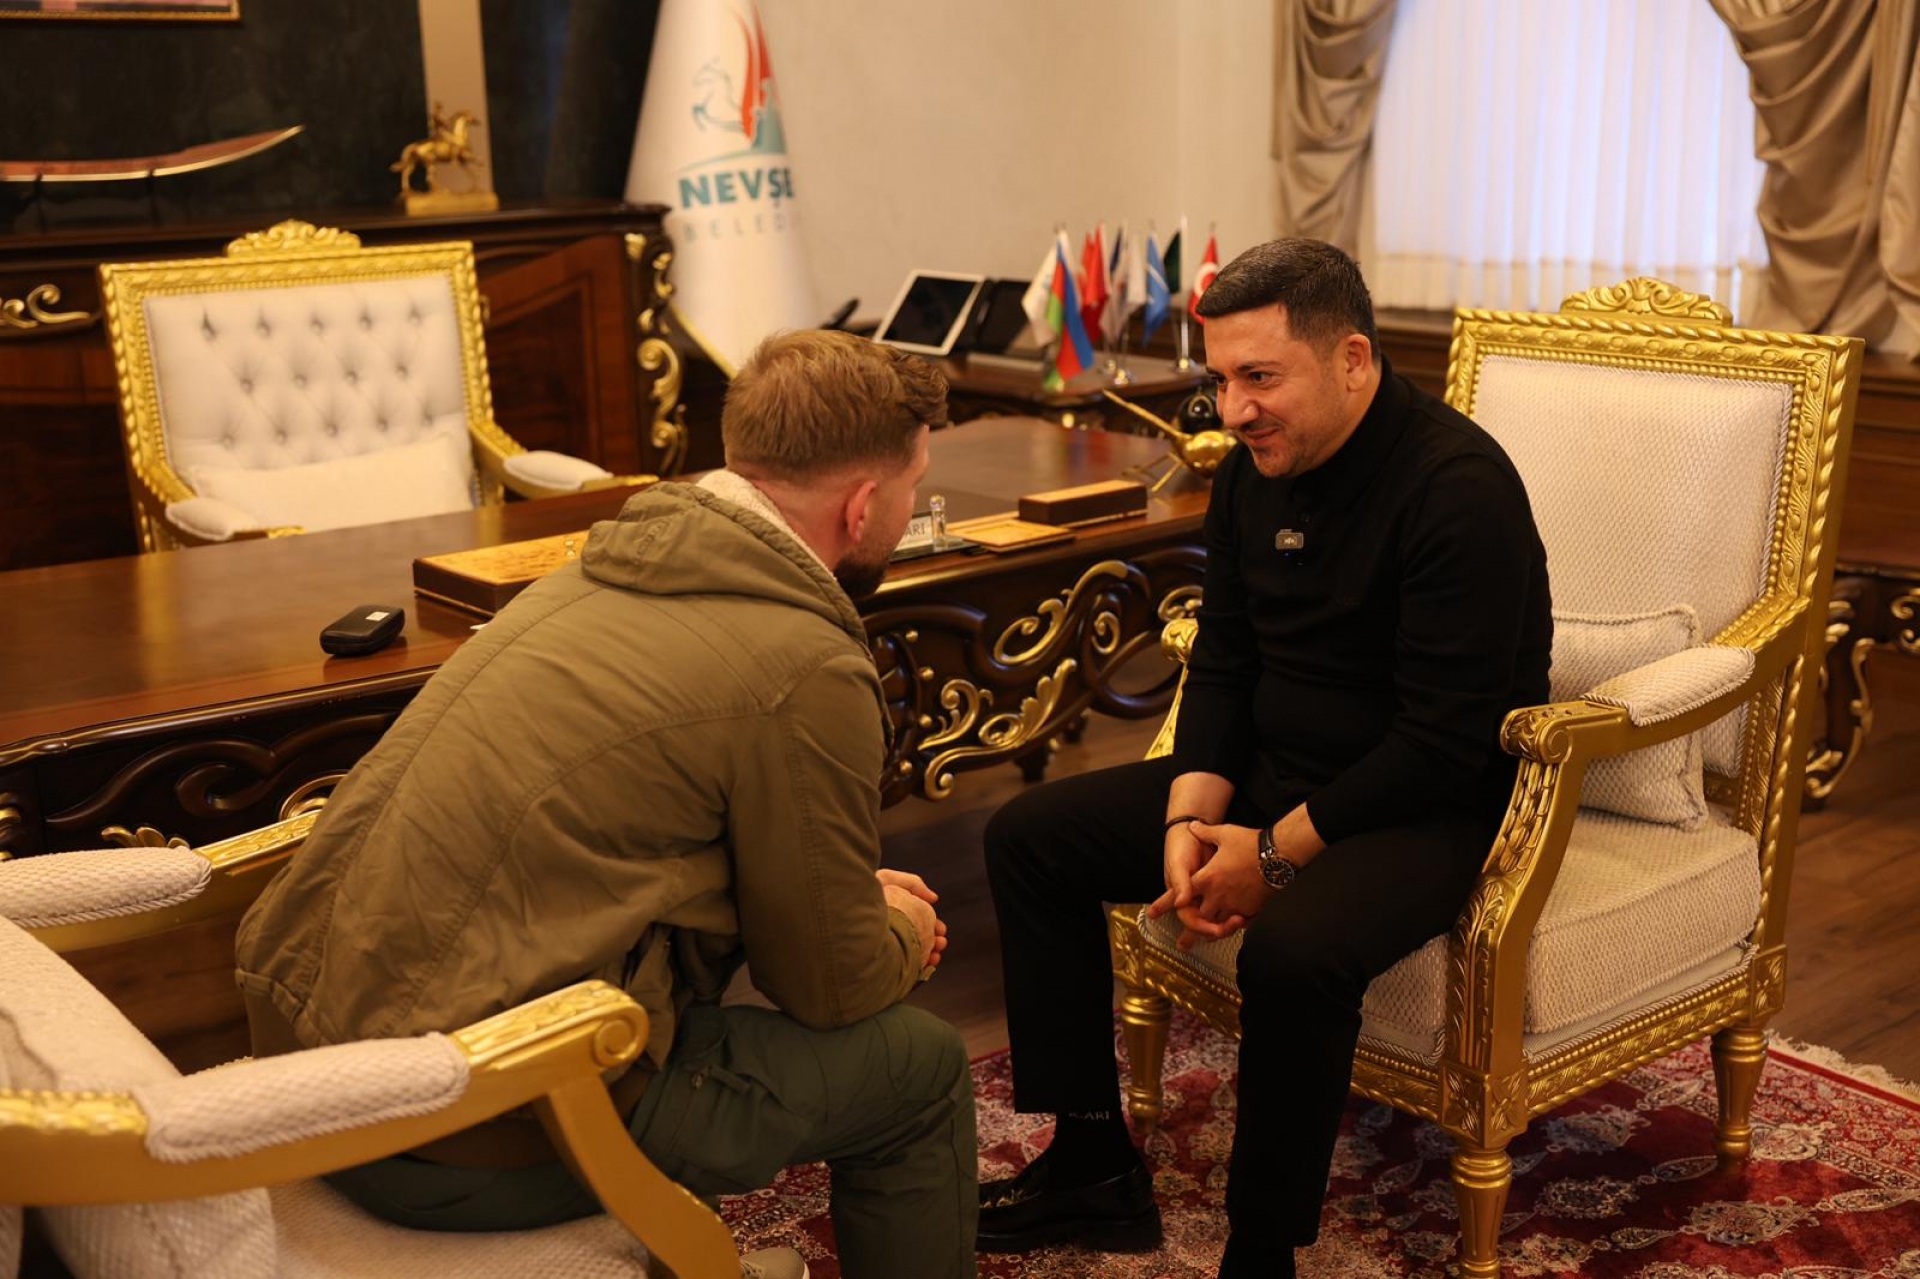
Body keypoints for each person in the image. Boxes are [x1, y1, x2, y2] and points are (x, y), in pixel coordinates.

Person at [235, 330, 978, 1279]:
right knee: (917, 1067)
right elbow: (830, 987)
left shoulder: (591, 574)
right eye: (914, 486)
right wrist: (899, 928)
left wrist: (843, 894)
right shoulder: (806, 665)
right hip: (453, 1131)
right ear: (864, 504)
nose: (909, 511)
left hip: (309, 1070)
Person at [978, 239, 1552, 1277]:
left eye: (1260, 378)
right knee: (1030, 837)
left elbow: (1441, 740)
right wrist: (1187, 820)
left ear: (1352, 360)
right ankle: (1091, 1163)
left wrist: (1274, 855)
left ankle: (1261, 1246)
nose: (1233, 411)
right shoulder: (1255, 471)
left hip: (1424, 804)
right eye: (1221, 380)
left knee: (1292, 952)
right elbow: (1227, 659)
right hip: (1277, 772)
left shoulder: (1459, 489)